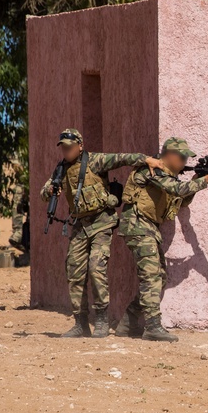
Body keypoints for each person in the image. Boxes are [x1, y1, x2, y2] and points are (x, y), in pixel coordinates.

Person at [39, 129, 162, 338]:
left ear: (80, 145)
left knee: (96, 267)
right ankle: (80, 323)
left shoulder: (95, 161)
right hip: (80, 226)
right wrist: (50, 191)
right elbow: (44, 192)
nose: (66, 151)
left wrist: (146, 159)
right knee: (74, 272)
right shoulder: (60, 169)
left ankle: (102, 321)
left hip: (101, 223)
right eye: (63, 147)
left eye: (70, 146)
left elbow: (122, 158)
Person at [115, 137, 208, 342]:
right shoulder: (152, 169)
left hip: (148, 228)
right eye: (182, 157)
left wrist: (196, 180)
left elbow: (181, 200)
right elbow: (176, 190)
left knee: (160, 278)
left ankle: (128, 323)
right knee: (151, 277)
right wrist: (206, 179)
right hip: (137, 225)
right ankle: (153, 327)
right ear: (169, 155)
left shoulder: (169, 176)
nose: (184, 161)